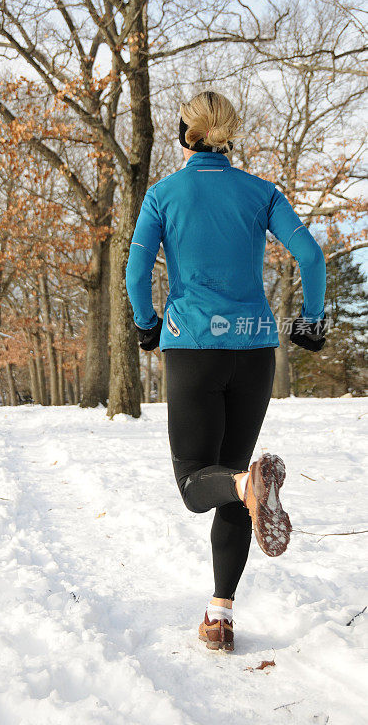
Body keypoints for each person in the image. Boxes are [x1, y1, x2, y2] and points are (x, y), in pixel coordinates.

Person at [125, 90, 326, 652]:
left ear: (183, 134)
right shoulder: (262, 193)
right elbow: (311, 256)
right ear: (229, 136)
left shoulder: (163, 194)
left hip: (192, 346)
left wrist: (147, 324)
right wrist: (310, 322)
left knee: (197, 482)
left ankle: (243, 486)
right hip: (255, 347)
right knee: (243, 480)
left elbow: (135, 273)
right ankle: (220, 614)